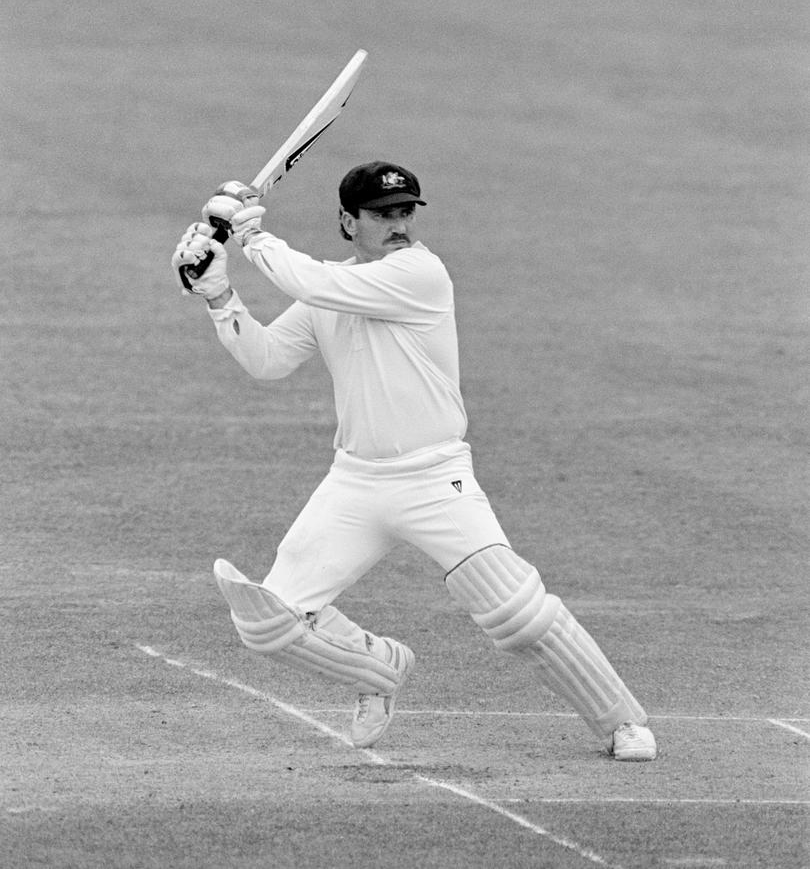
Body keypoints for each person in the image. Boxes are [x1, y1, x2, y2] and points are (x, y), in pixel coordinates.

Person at [170, 161, 657, 760]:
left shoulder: (419, 272)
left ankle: (622, 723)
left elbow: (314, 282)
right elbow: (267, 359)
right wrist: (220, 297)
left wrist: (248, 235)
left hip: (434, 479)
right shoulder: (333, 287)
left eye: (405, 212)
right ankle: (377, 671)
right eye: (382, 215)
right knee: (268, 623)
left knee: (517, 613)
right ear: (349, 221)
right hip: (354, 482)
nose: (399, 224)